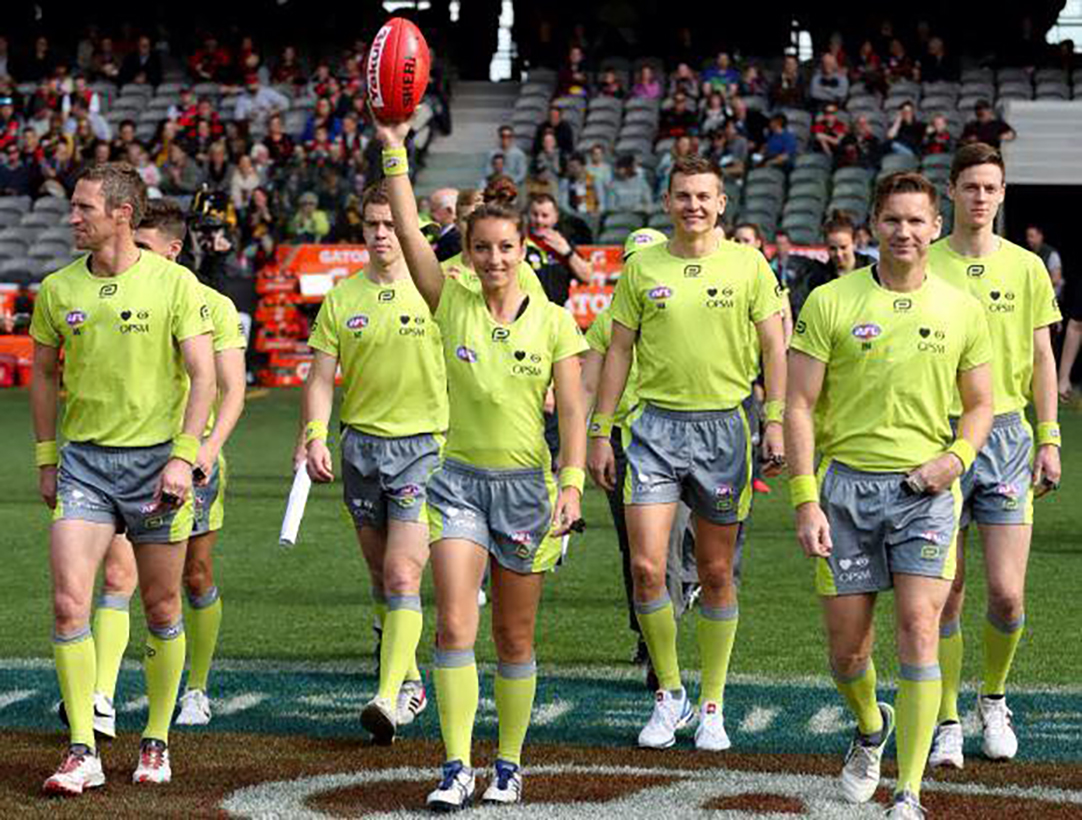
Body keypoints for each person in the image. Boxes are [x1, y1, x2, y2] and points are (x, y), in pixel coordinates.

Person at [375, 116, 588, 809]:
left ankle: (512, 762)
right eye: (481, 248)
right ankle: (455, 763)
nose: (494, 259)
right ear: (464, 251)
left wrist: (573, 482)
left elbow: (576, 413)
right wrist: (394, 145)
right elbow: (409, 233)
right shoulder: (449, 300)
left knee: (514, 634)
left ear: (524, 249)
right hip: (457, 486)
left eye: (505, 248)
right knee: (454, 626)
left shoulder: (555, 320)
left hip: (527, 488)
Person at [786, 171, 994, 819]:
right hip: (844, 491)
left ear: (936, 226)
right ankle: (870, 726)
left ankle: (908, 791)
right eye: (892, 220)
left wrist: (954, 460)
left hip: (925, 494)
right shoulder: (830, 302)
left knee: (919, 630)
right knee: (848, 653)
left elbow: (983, 404)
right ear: (874, 225)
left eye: (916, 220)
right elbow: (797, 403)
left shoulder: (961, 307)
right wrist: (804, 497)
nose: (904, 232)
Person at [587, 155, 786, 753]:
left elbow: (775, 345)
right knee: (648, 568)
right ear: (668, 202)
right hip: (653, 431)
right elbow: (617, 352)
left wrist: (773, 420)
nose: (693, 205)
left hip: (725, 429)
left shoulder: (750, 264)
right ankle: (669, 692)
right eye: (682, 196)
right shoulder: (643, 267)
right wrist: (601, 430)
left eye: (704, 196)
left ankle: (713, 705)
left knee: (717, 571)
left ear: (721, 203)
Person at [30, 163, 216, 794]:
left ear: (122, 215)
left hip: (155, 467)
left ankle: (156, 740)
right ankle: (82, 748)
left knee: (162, 607)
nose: (72, 217)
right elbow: (45, 377)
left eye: (83, 207)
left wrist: (182, 457)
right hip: (83, 465)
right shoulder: (57, 289)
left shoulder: (174, 283)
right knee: (67, 604)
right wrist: (47, 457)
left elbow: (204, 376)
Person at [79, 199, 246, 733]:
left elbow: (230, 388)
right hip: (130, 460)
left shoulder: (212, 305)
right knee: (117, 573)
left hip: (191, 464)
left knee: (193, 580)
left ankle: (195, 688)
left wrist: (206, 449)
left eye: (144, 247)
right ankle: (100, 694)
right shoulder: (116, 294)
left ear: (174, 250)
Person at [925, 144, 1062, 770]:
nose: (980, 197)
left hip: (1006, 437)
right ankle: (948, 717)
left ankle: (995, 699)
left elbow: (1041, 358)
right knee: (944, 594)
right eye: (970, 186)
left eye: (991, 187)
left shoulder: (1028, 267)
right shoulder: (923, 263)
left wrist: (1049, 435)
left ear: (1003, 194)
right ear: (950, 191)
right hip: (938, 435)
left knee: (1007, 595)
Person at [302, 184, 446, 746]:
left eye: (391, 223)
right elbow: (318, 379)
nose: (382, 233)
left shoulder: (438, 290)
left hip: (423, 447)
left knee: (402, 573)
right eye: (372, 224)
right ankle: (409, 677)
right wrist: (315, 434)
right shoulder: (342, 299)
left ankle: (387, 697)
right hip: (360, 448)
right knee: (378, 574)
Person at [525, 193, 592, 307]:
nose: (539, 220)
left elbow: (587, 277)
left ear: (556, 217)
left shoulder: (563, 243)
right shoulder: (518, 243)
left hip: (556, 315)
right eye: (534, 215)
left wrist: (568, 253)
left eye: (545, 216)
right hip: (526, 315)